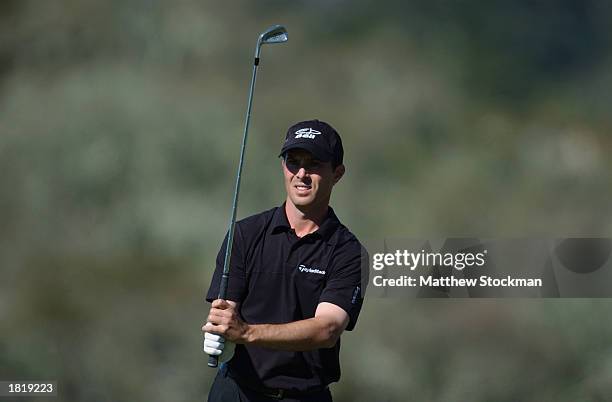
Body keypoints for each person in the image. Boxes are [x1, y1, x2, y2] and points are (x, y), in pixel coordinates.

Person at [202, 119, 367, 402]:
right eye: (293, 161)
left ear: (337, 173)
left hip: (304, 397)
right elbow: (226, 312)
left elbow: (326, 329)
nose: (301, 173)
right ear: (283, 166)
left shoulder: (348, 252)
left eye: (314, 164)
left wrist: (247, 333)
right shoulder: (245, 234)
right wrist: (222, 330)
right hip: (237, 392)